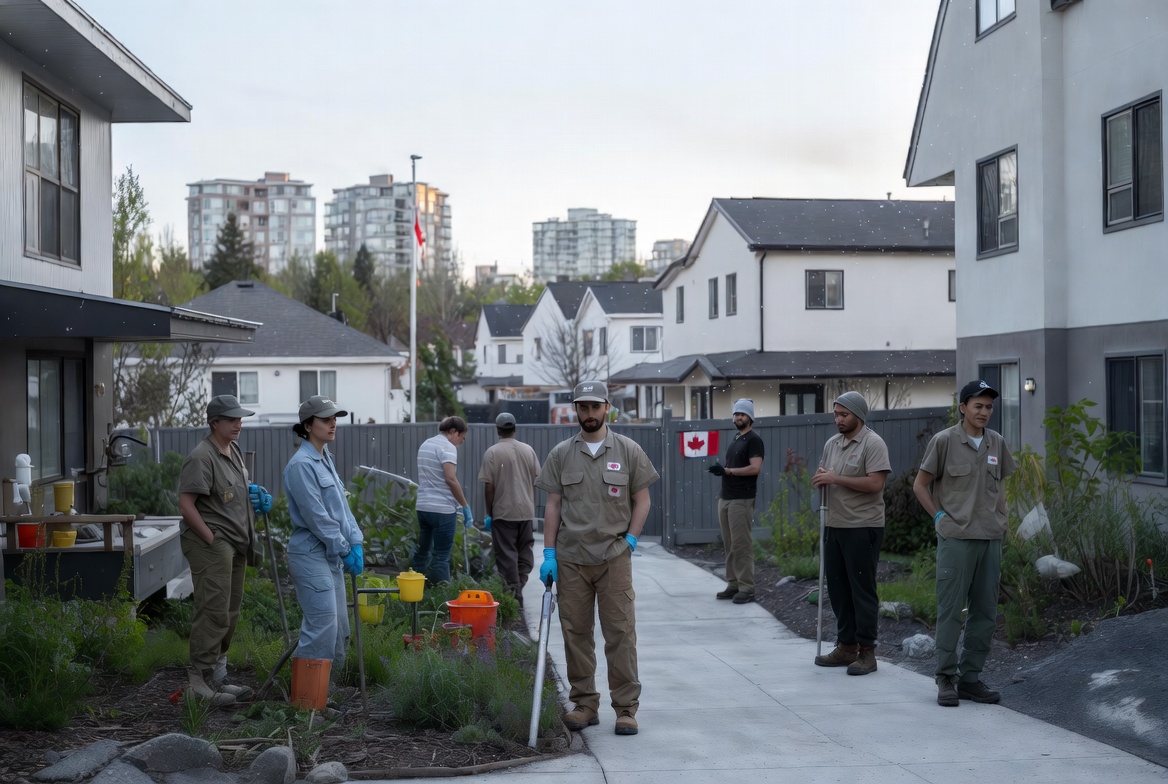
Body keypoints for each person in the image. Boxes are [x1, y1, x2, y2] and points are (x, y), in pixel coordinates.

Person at [537, 380, 659, 736]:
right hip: (571, 559)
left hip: (613, 557)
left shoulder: (629, 450)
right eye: (582, 407)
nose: (589, 413)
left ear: (608, 408)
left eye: (595, 406)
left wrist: (632, 539)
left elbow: (643, 499)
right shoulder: (561, 454)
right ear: (576, 410)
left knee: (620, 633)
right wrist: (548, 553)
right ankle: (585, 704)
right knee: (576, 633)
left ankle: (625, 709)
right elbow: (553, 506)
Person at [913, 380, 1017, 707]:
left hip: (990, 537)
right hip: (956, 538)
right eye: (978, 406)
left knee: (985, 610)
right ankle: (946, 678)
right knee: (950, 610)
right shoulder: (944, 441)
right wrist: (938, 519)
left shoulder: (997, 443)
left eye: (988, 407)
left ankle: (970, 678)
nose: (984, 412)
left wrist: (1003, 516)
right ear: (963, 408)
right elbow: (920, 485)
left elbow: (999, 485)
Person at [179, 394, 270, 706]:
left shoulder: (233, 450)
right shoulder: (201, 457)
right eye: (231, 419)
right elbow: (186, 503)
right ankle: (197, 680)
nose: (238, 424)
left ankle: (217, 676)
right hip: (213, 543)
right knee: (213, 610)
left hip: (235, 542)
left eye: (240, 419)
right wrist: (209, 537)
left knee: (230, 611)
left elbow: (234, 492)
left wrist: (254, 493)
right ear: (214, 422)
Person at [283, 395, 365, 688]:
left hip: (330, 555)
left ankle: (327, 694)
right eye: (326, 419)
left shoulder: (324, 459)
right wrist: (344, 548)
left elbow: (342, 510)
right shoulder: (301, 465)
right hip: (310, 555)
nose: (333, 423)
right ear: (307, 425)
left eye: (334, 418)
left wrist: (356, 541)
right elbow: (317, 516)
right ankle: (307, 701)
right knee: (322, 628)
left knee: (339, 627)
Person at [811, 391, 892, 675]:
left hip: (862, 525)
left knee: (861, 589)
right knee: (838, 589)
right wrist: (823, 480)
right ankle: (846, 647)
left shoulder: (873, 443)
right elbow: (829, 476)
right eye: (835, 414)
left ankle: (867, 652)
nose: (838, 420)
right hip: (834, 523)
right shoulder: (832, 444)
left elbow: (875, 484)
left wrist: (835, 478)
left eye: (843, 415)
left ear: (858, 415)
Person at [478, 412, 541, 607]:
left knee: (506, 556)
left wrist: (490, 513)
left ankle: (514, 595)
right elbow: (537, 479)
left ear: (498, 430)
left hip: (503, 512)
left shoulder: (492, 452)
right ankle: (518, 586)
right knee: (525, 554)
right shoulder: (528, 450)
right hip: (525, 512)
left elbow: (489, 487)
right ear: (514, 429)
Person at [707, 398, 765, 604]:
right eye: (736, 413)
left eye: (743, 414)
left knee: (742, 545)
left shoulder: (753, 440)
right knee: (730, 544)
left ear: (750, 417)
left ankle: (747, 588)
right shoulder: (736, 439)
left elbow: (755, 468)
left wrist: (728, 471)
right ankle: (733, 584)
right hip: (726, 497)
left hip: (741, 498)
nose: (738, 416)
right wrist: (721, 470)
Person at [413, 416, 472, 584]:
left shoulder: (426, 444)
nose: (461, 441)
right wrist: (465, 505)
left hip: (423, 507)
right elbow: (450, 478)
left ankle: (416, 596)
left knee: (422, 553)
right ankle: (443, 601)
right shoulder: (448, 447)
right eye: (462, 437)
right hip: (442, 510)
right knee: (441, 557)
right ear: (453, 432)